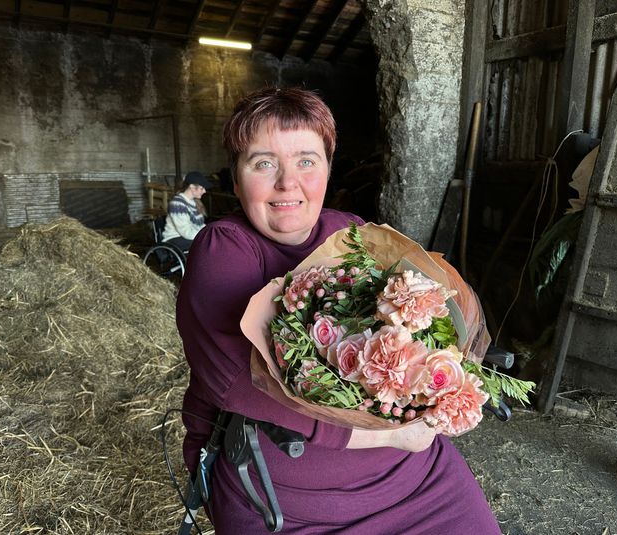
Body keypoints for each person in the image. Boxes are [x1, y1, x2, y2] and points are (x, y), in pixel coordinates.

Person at [176, 87, 501, 534]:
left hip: (414, 480)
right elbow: (238, 384)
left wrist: (443, 379)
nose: (288, 182)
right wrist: (390, 434)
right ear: (235, 179)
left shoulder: (351, 233)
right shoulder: (225, 248)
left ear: (328, 169)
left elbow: (424, 327)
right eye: (263, 162)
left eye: (306, 160)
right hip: (290, 496)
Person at [161, 171, 212, 251]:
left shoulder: (194, 202)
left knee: (212, 241)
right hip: (175, 238)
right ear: (192, 187)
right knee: (208, 243)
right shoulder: (177, 204)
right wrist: (205, 236)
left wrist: (210, 232)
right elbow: (186, 231)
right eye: (202, 188)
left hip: (188, 236)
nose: (204, 191)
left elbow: (200, 226)